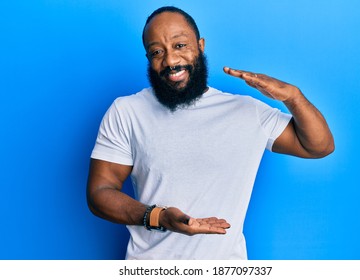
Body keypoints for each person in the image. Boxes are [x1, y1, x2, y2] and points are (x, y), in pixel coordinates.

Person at [87, 6, 334, 260]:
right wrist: (159, 217)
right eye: (157, 52)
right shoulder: (127, 111)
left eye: (180, 45)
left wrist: (293, 97)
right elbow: (100, 192)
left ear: (200, 45)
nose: (171, 61)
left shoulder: (246, 112)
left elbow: (319, 146)